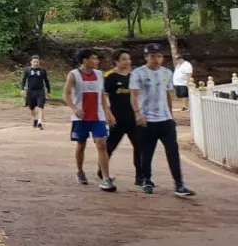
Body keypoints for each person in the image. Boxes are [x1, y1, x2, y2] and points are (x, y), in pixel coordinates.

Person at [131, 44, 195, 196]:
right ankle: (146, 180)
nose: (156, 59)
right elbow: (133, 95)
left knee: (173, 152)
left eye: (159, 56)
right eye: (153, 56)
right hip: (146, 120)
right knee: (147, 153)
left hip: (165, 120)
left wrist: (171, 116)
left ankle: (179, 184)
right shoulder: (138, 73)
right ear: (146, 57)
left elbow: (167, 95)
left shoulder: (167, 72)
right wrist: (137, 113)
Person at [63, 48, 117, 192]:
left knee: (101, 145)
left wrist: (108, 112)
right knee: (81, 144)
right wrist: (74, 108)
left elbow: (102, 96)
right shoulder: (73, 75)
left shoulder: (99, 75)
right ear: (85, 60)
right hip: (81, 117)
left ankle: (106, 178)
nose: (97, 61)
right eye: (94, 58)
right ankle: (80, 171)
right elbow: (66, 95)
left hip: (97, 116)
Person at [101, 51, 141, 185]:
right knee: (110, 146)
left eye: (129, 59)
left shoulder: (134, 77)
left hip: (133, 117)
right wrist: (107, 113)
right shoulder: (110, 77)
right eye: (123, 59)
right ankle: (102, 170)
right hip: (116, 117)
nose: (127, 62)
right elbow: (103, 96)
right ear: (116, 61)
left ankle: (140, 176)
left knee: (139, 146)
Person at [20, 54, 51, 129]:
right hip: (30, 91)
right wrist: (22, 89)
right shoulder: (27, 70)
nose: (36, 63)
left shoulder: (42, 70)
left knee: (41, 106)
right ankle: (35, 119)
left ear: (39, 62)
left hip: (40, 90)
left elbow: (46, 81)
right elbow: (23, 80)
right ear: (31, 62)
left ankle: (40, 122)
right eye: (34, 62)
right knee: (31, 107)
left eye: (37, 62)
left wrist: (48, 91)